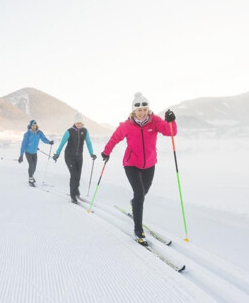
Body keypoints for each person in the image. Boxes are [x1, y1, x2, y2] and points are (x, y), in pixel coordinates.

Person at [101, 93, 177, 245]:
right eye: (139, 110)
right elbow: (115, 138)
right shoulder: (126, 125)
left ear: (148, 109)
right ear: (133, 111)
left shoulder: (155, 121)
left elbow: (171, 132)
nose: (142, 113)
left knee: (142, 193)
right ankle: (138, 230)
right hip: (131, 164)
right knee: (140, 193)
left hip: (149, 164)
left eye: (144, 109)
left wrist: (171, 121)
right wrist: (106, 152)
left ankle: (134, 203)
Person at [52, 112, 96, 203]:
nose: (79, 125)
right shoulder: (69, 131)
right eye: (77, 123)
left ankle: (76, 189)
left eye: (80, 123)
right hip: (69, 156)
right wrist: (57, 154)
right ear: (74, 123)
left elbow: (88, 143)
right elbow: (62, 143)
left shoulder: (85, 131)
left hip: (79, 156)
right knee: (74, 175)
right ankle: (73, 195)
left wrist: (92, 153)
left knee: (78, 175)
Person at [18, 119, 53, 187]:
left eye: (35, 125)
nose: (34, 127)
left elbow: (44, 139)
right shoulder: (27, 134)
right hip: (28, 152)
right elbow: (23, 145)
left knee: (34, 167)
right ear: (30, 126)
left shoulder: (39, 133)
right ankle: (30, 179)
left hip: (34, 152)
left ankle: (31, 176)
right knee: (31, 165)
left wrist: (49, 142)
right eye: (33, 125)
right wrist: (21, 155)